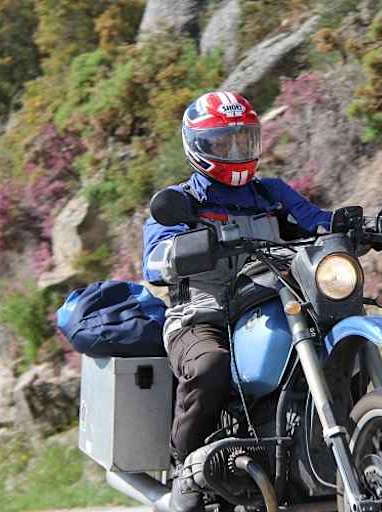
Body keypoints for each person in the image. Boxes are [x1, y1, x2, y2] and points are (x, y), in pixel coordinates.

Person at [142, 91, 332, 512]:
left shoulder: (271, 194)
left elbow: (316, 221)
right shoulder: (182, 202)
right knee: (209, 367)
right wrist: (183, 251)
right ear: (197, 147)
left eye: (243, 141)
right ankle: (186, 470)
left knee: (330, 341)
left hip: (267, 305)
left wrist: (361, 224)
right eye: (223, 143)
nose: (235, 151)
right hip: (199, 315)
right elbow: (154, 261)